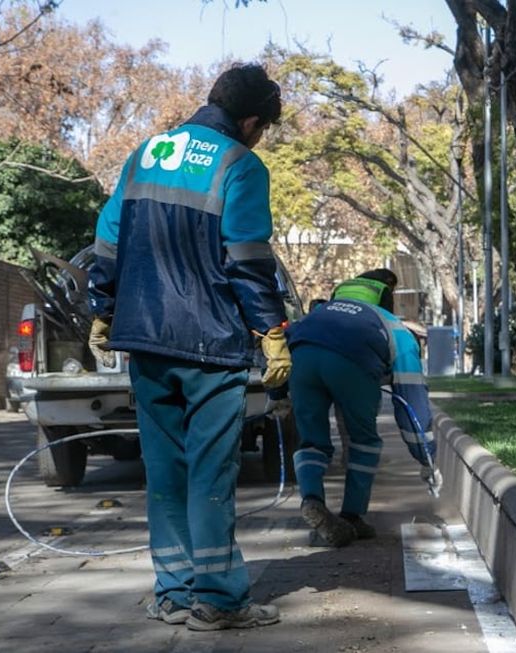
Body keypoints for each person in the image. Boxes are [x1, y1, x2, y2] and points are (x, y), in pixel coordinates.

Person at [87, 63, 290, 631]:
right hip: (210, 345)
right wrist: (271, 333)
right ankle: (220, 602)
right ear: (249, 120)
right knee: (209, 476)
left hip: (145, 341)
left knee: (166, 473)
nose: (259, 138)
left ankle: (173, 594)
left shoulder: (146, 153)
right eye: (262, 128)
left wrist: (102, 310)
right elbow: (247, 259)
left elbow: (107, 241)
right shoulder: (240, 165)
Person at [287, 269, 438, 547]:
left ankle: (312, 499)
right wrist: (425, 456)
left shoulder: (319, 313)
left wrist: (276, 395)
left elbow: (286, 345)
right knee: (364, 441)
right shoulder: (394, 327)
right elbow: (411, 399)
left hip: (301, 355)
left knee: (311, 441)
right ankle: (352, 515)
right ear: (386, 300)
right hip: (352, 365)